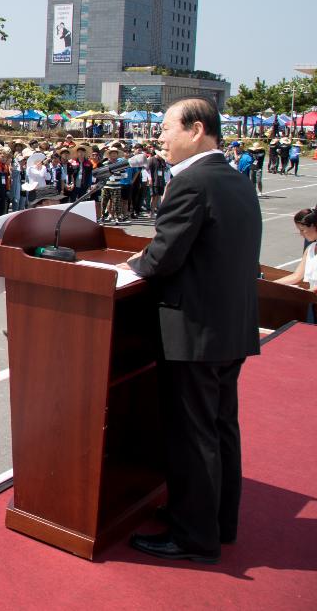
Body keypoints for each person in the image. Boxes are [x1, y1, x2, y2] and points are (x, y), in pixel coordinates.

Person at [127, 98, 262, 564]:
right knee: (221, 427)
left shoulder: (192, 183)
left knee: (193, 433)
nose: (160, 137)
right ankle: (218, 521)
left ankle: (194, 536)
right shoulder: (235, 180)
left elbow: (163, 257)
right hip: (230, 327)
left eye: (166, 128)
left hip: (195, 332)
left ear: (196, 129)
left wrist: (132, 265)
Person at [276, 209, 317, 292]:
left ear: (313, 226)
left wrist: (308, 293)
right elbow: (297, 276)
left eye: (302, 230)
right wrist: (271, 284)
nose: (301, 234)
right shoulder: (310, 248)